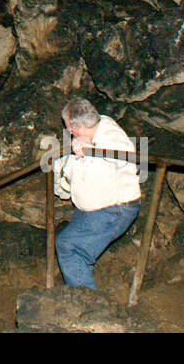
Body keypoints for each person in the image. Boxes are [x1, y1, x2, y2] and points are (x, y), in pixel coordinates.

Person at [51, 99, 141, 288]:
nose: (68, 131)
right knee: (68, 243)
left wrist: (93, 150)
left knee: (70, 247)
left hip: (114, 210)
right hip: (93, 210)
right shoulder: (91, 131)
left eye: (69, 127)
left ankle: (88, 305)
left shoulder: (110, 136)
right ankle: (79, 288)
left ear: (78, 126)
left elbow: (126, 155)